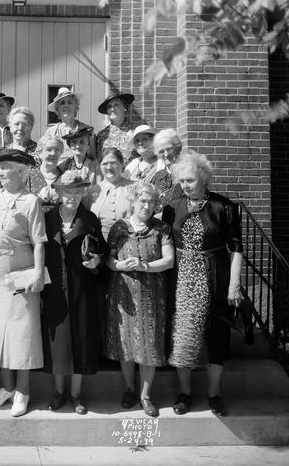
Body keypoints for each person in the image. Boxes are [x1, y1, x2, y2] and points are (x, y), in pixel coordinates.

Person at [162, 151, 243, 417]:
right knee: (183, 336)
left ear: (204, 178)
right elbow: (165, 243)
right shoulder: (173, 207)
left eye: (190, 180)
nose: (185, 186)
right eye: (182, 181)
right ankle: (184, 393)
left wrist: (234, 285)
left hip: (214, 277)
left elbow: (236, 249)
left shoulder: (224, 207)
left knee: (217, 335)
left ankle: (214, 394)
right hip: (182, 279)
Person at [0, 150, 47, 417]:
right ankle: (6, 387)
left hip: (21, 271)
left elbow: (39, 241)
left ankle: (22, 391)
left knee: (22, 334)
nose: (1, 172)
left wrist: (37, 274)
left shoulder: (31, 201)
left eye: (7, 168)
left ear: (22, 172)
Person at [105, 182, 174, 417]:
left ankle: (146, 395)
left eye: (151, 201)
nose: (146, 205)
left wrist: (144, 266)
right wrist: (119, 265)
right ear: (133, 201)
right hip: (123, 295)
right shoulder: (119, 228)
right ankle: (129, 388)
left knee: (148, 344)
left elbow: (169, 261)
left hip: (151, 294)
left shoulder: (161, 228)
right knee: (125, 344)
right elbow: (109, 260)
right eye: (142, 201)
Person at [41, 172, 107, 415]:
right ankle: (59, 392)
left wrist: (98, 260)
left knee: (80, 340)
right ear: (59, 193)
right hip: (54, 288)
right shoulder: (47, 218)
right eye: (67, 191)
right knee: (57, 342)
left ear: (83, 194)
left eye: (77, 192)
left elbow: (102, 250)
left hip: (82, 288)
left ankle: (76, 394)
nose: (72, 196)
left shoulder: (89, 219)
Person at [91, 148, 136, 240]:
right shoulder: (92, 191)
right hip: (100, 244)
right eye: (105, 164)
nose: (109, 167)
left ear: (122, 164)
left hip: (129, 243)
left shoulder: (135, 187)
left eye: (113, 163)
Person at [45, 87, 94, 162]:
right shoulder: (50, 133)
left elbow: (94, 158)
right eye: (62, 103)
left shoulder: (87, 130)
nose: (66, 105)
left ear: (75, 107)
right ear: (57, 109)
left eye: (70, 102)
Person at [58, 127, 98, 207]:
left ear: (88, 144)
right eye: (74, 142)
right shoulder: (63, 166)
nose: (78, 146)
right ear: (69, 145)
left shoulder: (96, 165)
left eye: (82, 142)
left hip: (90, 207)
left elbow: (100, 188)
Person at [95, 92, 136, 162]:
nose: (112, 109)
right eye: (109, 106)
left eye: (116, 105)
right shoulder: (101, 136)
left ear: (125, 108)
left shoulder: (135, 131)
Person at [26, 135, 64, 212]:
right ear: (40, 152)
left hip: (58, 222)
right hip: (34, 221)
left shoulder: (64, 178)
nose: (53, 153)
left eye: (57, 150)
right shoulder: (29, 175)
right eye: (48, 149)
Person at [150, 128, 184, 209]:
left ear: (177, 148)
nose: (166, 154)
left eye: (169, 149)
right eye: (161, 151)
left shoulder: (186, 172)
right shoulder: (158, 175)